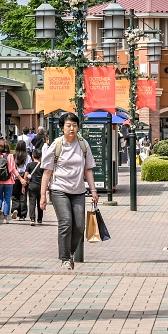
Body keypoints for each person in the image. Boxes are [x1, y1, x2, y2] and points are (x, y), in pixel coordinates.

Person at [39, 113, 98, 271]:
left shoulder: (83, 144)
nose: (72, 128)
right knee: (66, 222)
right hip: (59, 190)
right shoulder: (57, 145)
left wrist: (93, 190)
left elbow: (88, 169)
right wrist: (43, 195)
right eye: (68, 125)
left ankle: (70, 252)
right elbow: (47, 172)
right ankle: (65, 258)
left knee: (79, 226)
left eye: (74, 125)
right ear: (62, 127)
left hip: (78, 191)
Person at [0, 140, 20, 223]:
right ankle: (5, 218)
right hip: (8, 181)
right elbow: (13, 169)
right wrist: (19, 178)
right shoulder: (10, 156)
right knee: (7, 199)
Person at [11, 140, 31, 220]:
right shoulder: (27, 156)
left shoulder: (14, 156)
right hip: (24, 176)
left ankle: (15, 209)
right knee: (23, 195)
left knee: (15, 195)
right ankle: (22, 215)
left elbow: (12, 168)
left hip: (16, 176)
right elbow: (28, 168)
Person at [26, 148, 44, 226]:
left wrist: (25, 183)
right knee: (40, 201)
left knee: (32, 202)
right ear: (40, 156)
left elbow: (26, 175)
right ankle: (40, 219)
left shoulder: (29, 165)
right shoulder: (43, 165)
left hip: (32, 185)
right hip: (41, 185)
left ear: (32, 156)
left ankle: (32, 219)